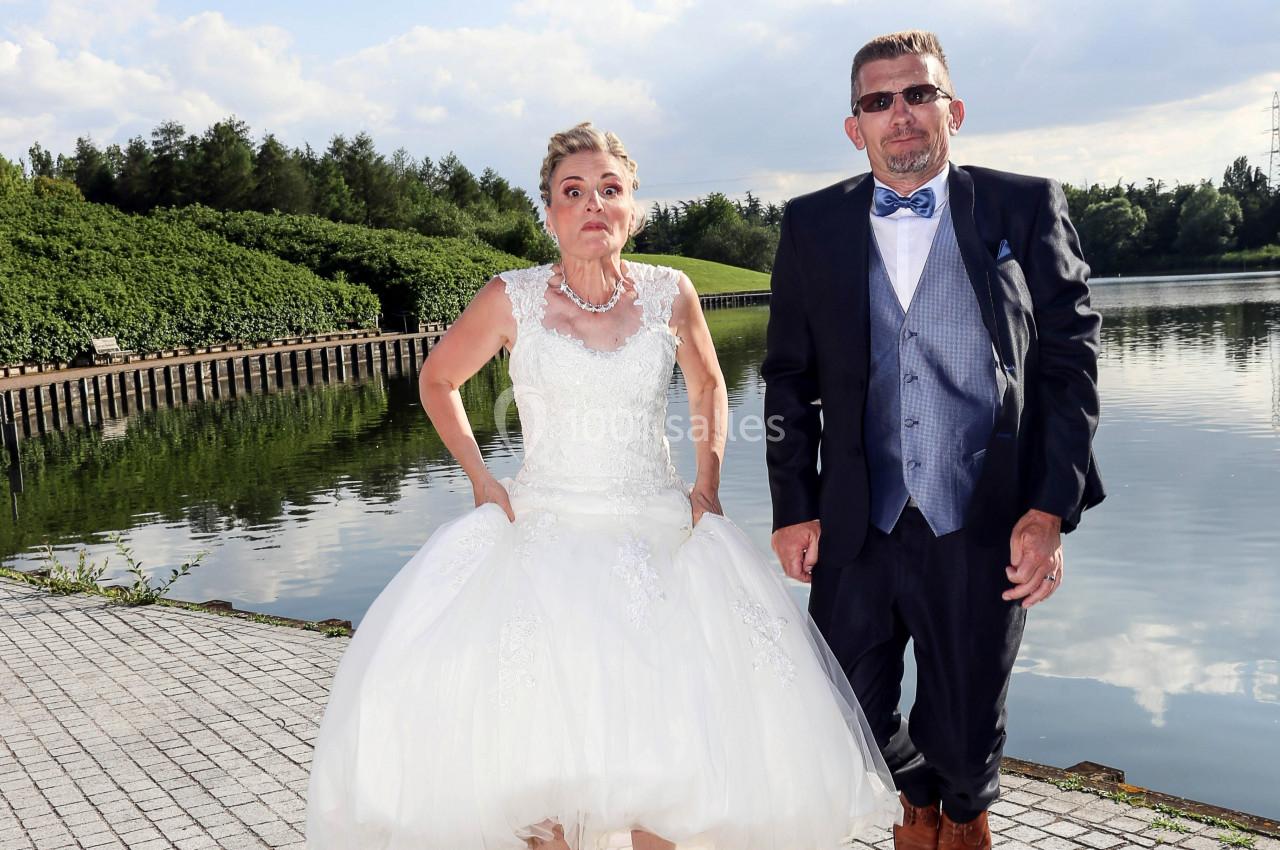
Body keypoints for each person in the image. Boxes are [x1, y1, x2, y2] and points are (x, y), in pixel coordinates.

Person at [306, 122, 899, 850]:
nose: (593, 203)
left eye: (609, 189)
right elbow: (438, 380)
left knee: (672, 765)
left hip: (660, 540)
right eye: (574, 191)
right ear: (549, 213)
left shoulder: (671, 293)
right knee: (542, 772)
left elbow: (710, 385)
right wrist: (482, 479)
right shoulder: (510, 297)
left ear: (633, 210)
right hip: (542, 543)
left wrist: (707, 483)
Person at [762, 31, 1104, 850]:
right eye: (879, 101)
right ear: (856, 128)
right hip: (859, 518)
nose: (902, 114)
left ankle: (960, 813)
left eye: (919, 94)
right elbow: (788, 377)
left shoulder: (1024, 205)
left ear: (954, 111)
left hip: (983, 517)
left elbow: (1071, 364)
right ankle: (918, 796)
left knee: (967, 729)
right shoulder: (812, 223)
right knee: (844, 713)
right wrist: (793, 506)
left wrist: (1048, 511)